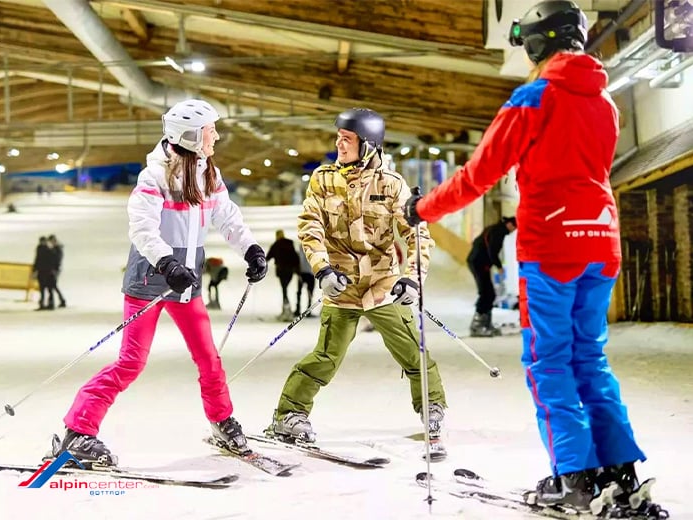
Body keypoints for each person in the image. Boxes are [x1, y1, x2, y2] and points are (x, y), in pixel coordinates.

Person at [403, 1, 656, 514]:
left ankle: (574, 478)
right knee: (591, 358)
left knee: (550, 363)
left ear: (538, 45)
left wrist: (421, 209)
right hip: (601, 240)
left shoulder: (534, 98)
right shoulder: (605, 103)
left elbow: (478, 175)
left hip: (552, 245)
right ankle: (619, 471)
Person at [53, 99, 268, 465]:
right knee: (131, 362)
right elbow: (142, 228)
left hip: (187, 279)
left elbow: (227, 217)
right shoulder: (152, 177)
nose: (215, 135)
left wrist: (250, 249)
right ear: (189, 136)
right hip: (152, 276)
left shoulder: (207, 174)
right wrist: (167, 262)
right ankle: (78, 432)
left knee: (208, 359)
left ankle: (222, 421)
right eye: (209, 130)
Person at [269, 108, 447, 445]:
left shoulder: (391, 185)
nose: (339, 143)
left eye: (347, 138)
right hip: (342, 284)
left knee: (412, 350)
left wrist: (412, 277)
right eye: (338, 136)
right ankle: (289, 414)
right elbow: (310, 226)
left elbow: (417, 234)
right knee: (326, 356)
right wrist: (321, 268)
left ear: (368, 144)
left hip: (381, 285)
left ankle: (433, 407)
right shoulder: (323, 179)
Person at [466, 216, 516, 336]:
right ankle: (477, 325)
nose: (513, 231)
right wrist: (498, 266)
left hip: (478, 261)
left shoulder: (494, 229)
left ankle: (485, 324)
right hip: (479, 262)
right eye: (514, 227)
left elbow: (478, 242)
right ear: (509, 224)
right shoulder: (499, 232)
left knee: (489, 293)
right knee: (486, 293)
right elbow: (492, 250)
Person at [265, 229, 300, 321]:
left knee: (284, 289)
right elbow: (295, 256)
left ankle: (286, 310)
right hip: (290, 271)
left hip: (281, 271)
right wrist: (297, 269)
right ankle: (286, 309)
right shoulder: (290, 243)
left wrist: (259, 264)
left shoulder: (276, 245)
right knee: (285, 289)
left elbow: (268, 257)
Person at [32, 236, 56, 310]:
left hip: (43, 272)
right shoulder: (49, 250)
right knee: (48, 289)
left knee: (44, 289)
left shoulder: (41, 249)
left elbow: (37, 260)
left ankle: (43, 303)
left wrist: (34, 270)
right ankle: (50, 303)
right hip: (47, 272)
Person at [294, 241, 315, 317]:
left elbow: (299, 259)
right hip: (309, 272)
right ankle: (308, 310)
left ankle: (298, 309)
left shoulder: (301, 246)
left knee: (299, 292)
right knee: (309, 292)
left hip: (302, 272)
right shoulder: (314, 247)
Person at [47, 234, 67, 308]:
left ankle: (61, 300)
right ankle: (61, 300)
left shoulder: (57, 249)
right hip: (56, 269)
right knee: (53, 285)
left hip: (55, 269)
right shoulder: (57, 248)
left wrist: (54, 269)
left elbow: (56, 260)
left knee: (53, 285)